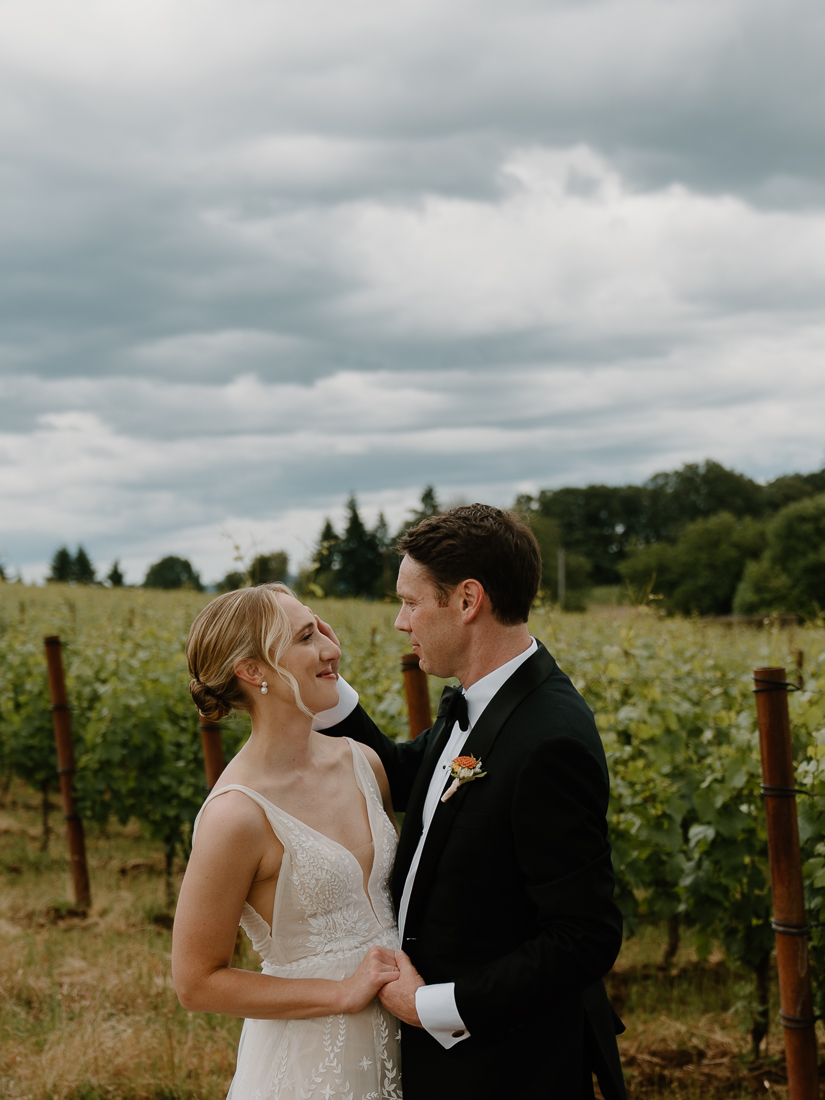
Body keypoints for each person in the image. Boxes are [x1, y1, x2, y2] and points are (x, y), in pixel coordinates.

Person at [315, 505, 627, 1100]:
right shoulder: (482, 700)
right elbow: (404, 778)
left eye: (410, 602)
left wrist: (428, 1003)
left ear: (467, 601)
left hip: (508, 1065)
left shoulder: (548, 738)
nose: (401, 623)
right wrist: (330, 690)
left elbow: (584, 936)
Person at [172, 583, 403, 1100]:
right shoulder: (236, 814)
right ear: (253, 671)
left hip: (408, 1040)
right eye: (305, 636)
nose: (331, 647)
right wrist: (341, 993)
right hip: (314, 1060)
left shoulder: (364, 763)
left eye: (321, 628)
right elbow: (196, 982)